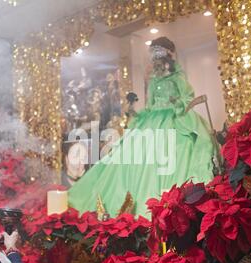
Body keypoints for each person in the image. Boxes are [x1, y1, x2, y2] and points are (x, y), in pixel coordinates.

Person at [68, 37, 219, 217]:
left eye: (159, 53)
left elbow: (188, 98)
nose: (156, 58)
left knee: (172, 155)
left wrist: (177, 104)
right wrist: (137, 114)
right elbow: (150, 105)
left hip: (173, 119)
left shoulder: (178, 77)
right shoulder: (154, 80)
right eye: (153, 54)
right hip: (152, 120)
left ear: (168, 55)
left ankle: (169, 208)